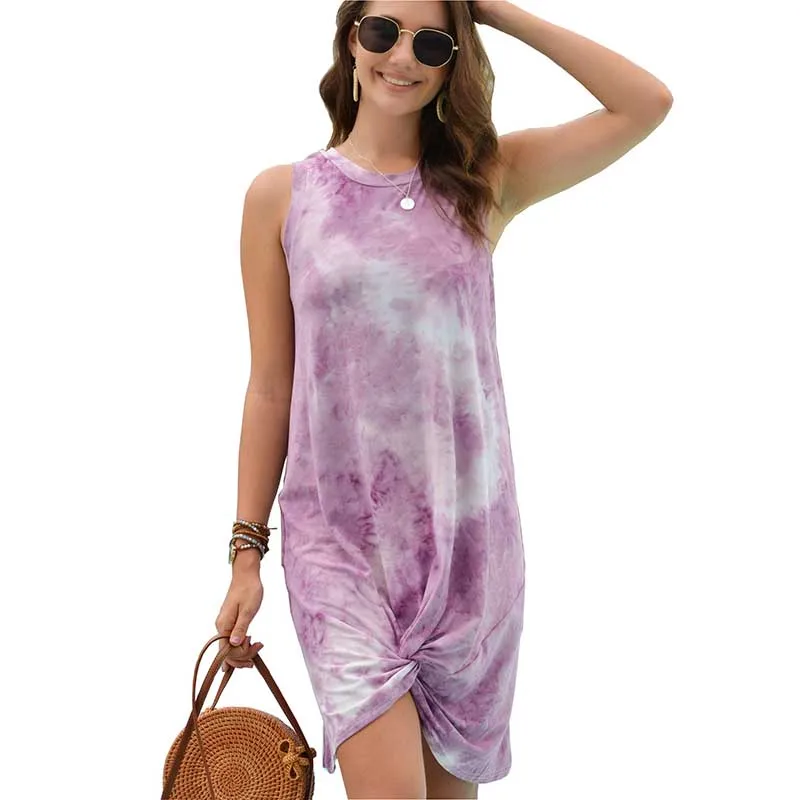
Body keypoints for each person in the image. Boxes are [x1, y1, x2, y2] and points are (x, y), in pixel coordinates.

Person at [214, 1, 672, 798]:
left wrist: (492, 10)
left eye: (431, 42)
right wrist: (245, 551)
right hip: (338, 552)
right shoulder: (281, 197)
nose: (402, 57)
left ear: (454, 58)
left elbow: (645, 103)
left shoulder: (484, 181)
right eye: (382, 31)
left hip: (470, 556)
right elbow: (270, 386)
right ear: (350, 38)